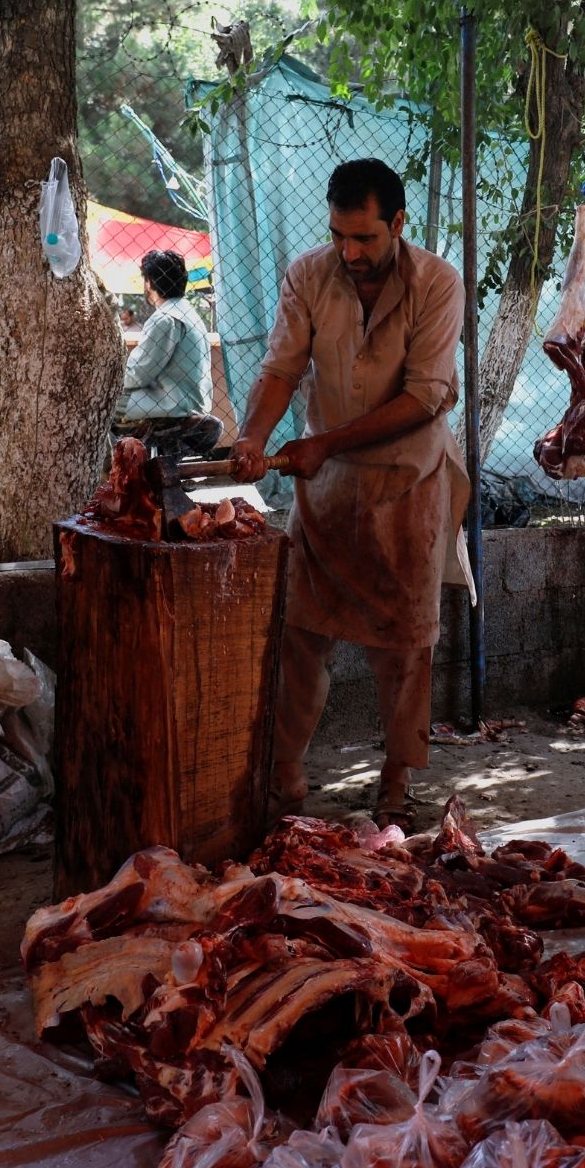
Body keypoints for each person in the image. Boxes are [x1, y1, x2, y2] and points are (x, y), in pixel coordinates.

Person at [231, 158, 468, 827]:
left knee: (405, 645)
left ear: (398, 223)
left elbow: (426, 396)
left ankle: (395, 781)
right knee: (301, 635)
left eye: (364, 237)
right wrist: (252, 437)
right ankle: (284, 781)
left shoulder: (438, 283)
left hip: (407, 487)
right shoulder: (309, 274)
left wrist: (327, 442)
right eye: (339, 234)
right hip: (327, 491)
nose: (349, 251)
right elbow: (281, 369)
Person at [119, 248, 220, 459]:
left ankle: (115, 477)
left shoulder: (164, 318)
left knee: (103, 407)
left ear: (149, 283)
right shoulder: (188, 313)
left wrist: (108, 385)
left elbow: (139, 373)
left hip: (172, 405)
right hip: (192, 401)